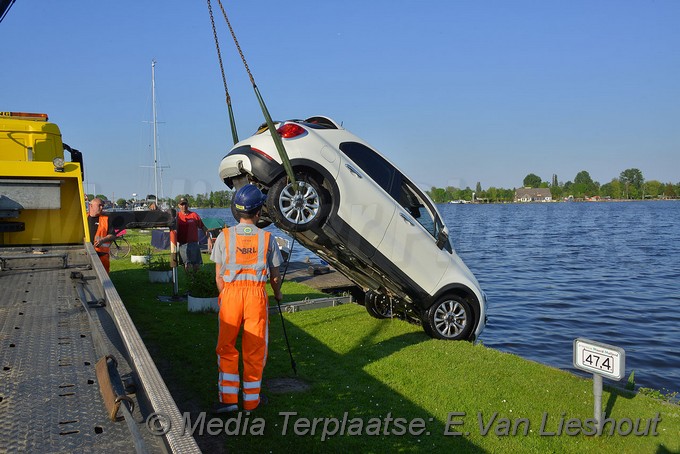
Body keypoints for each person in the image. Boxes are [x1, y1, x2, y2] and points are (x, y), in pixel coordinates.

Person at [210, 185, 283, 413]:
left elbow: (218, 276)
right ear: (259, 212)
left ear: (237, 210)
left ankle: (229, 400)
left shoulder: (224, 236)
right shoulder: (268, 238)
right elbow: (275, 275)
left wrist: (225, 295)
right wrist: (278, 293)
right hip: (256, 297)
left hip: (230, 295)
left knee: (226, 346)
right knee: (255, 348)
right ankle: (251, 401)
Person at [176, 197, 210, 272]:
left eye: (185, 204)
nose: (184, 206)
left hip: (194, 244)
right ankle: (189, 280)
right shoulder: (177, 217)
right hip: (183, 244)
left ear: (188, 204)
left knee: (196, 265)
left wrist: (209, 238)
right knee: (187, 265)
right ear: (178, 205)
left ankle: (196, 281)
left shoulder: (194, 215)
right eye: (182, 204)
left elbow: (203, 227)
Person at [87, 197, 115, 274]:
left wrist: (102, 240)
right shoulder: (84, 218)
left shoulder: (106, 219)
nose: (102, 207)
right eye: (99, 205)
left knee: (104, 278)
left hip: (102, 256)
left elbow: (112, 235)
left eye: (102, 205)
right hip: (86, 254)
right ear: (91, 206)